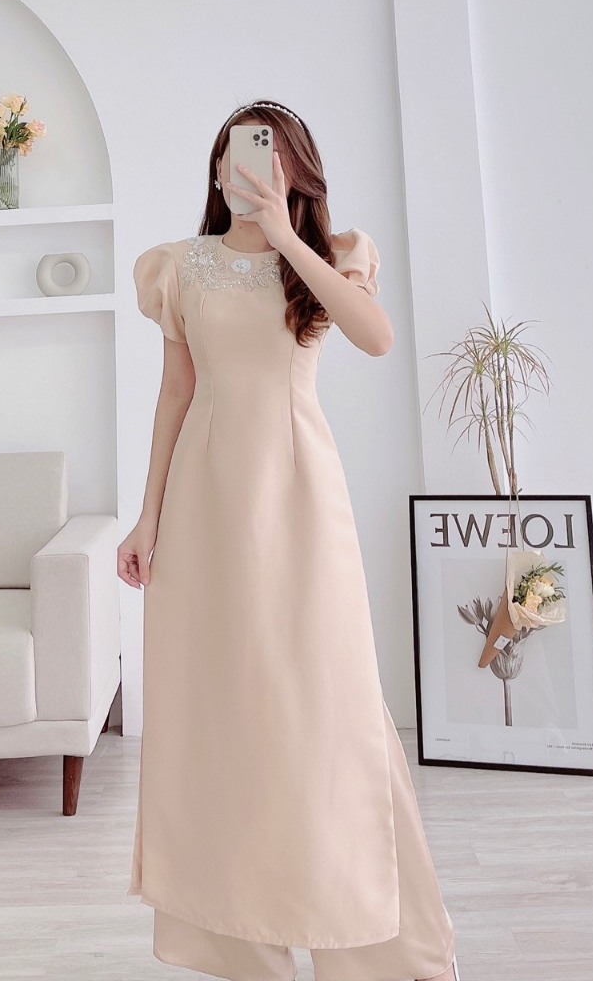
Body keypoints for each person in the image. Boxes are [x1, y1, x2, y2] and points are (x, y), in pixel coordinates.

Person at [117, 99, 461, 981]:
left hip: (301, 500)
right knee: (222, 711)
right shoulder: (180, 267)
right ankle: (244, 946)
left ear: (293, 170)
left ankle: (377, 948)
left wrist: (283, 235)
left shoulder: (333, 255)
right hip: (205, 506)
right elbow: (175, 395)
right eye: (233, 155)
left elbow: (377, 338)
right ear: (216, 168)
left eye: (266, 156)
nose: (247, 169)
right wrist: (149, 516)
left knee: (326, 710)